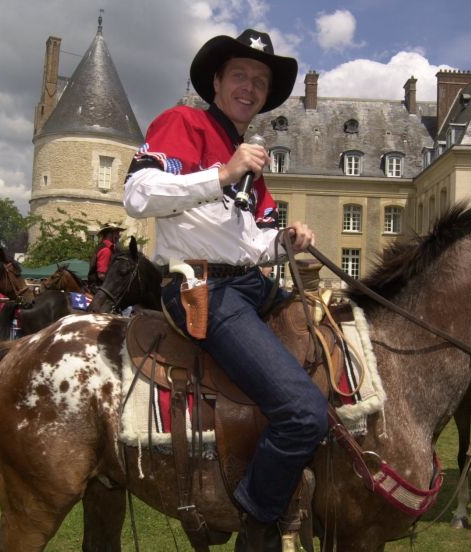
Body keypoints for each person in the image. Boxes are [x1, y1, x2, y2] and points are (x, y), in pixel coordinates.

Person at [124, 29, 327, 546]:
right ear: (216, 82)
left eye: (259, 81)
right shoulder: (183, 123)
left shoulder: (249, 161)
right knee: (303, 412)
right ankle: (256, 520)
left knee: (332, 349)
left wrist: (285, 241)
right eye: (240, 74)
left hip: (252, 284)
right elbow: (138, 194)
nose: (249, 87)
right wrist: (221, 174)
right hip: (203, 287)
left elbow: (253, 242)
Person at [87, 223, 124, 289]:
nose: (119, 236)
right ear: (110, 234)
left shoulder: (108, 248)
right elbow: (101, 275)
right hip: (100, 288)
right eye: (117, 233)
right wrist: (118, 284)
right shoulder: (106, 250)